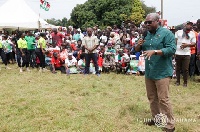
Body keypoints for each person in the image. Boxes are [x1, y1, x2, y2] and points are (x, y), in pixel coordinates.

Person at [135, 13, 176, 132]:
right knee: (152, 97)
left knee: (163, 99)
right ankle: (157, 119)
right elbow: (137, 49)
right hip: (149, 72)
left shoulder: (166, 33)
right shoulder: (145, 34)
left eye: (150, 22)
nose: (147, 24)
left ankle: (170, 125)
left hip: (162, 72)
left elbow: (172, 49)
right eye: (146, 22)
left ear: (157, 21)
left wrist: (156, 51)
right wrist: (138, 45)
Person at [175, 21, 196, 87]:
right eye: (189, 25)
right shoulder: (178, 32)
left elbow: (194, 43)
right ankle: (178, 81)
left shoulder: (192, 33)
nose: (190, 26)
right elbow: (175, 42)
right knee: (178, 68)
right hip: (178, 53)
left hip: (187, 53)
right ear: (185, 25)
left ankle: (185, 82)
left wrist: (187, 45)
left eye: (191, 25)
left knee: (185, 69)